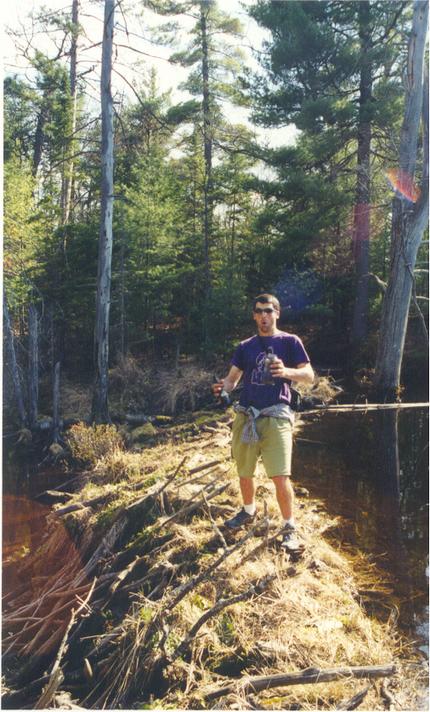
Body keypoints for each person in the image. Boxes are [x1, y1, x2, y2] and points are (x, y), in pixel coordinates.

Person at [212, 293, 314, 551]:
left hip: (277, 416)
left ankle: (290, 527)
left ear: (277, 313)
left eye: (268, 310)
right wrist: (223, 389)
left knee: (281, 476)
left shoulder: (290, 342)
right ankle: (248, 511)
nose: (263, 316)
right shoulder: (245, 346)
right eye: (259, 311)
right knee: (244, 472)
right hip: (247, 415)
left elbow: (309, 375)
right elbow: (233, 379)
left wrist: (286, 372)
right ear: (254, 315)